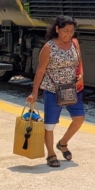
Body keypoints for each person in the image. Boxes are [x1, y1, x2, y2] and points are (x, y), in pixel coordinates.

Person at [26, 16, 86, 168]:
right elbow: (40, 70)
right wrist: (34, 92)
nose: (69, 34)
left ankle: (63, 143)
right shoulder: (48, 47)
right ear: (57, 29)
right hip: (53, 90)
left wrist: (81, 76)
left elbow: (79, 63)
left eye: (72, 31)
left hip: (72, 88)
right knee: (50, 124)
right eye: (66, 31)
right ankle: (51, 154)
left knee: (79, 118)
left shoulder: (74, 43)